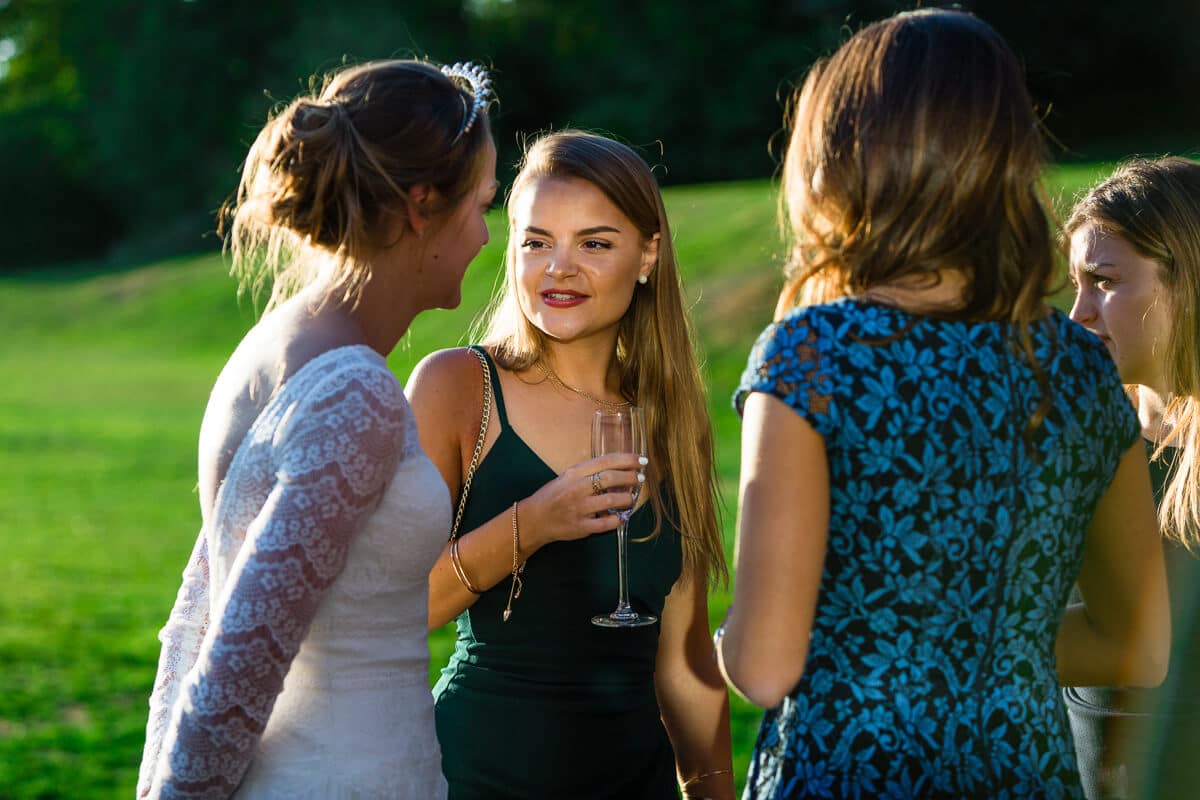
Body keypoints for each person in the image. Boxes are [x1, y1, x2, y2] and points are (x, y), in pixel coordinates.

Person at [714, 9, 1171, 799]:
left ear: (839, 159)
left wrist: (700, 639)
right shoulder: (1077, 370)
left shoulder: (813, 356)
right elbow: (1138, 645)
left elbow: (763, 666)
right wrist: (982, 649)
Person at [136, 59, 497, 798]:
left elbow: (196, 621)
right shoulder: (353, 391)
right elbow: (231, 678)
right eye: (481, 204)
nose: (486, 236)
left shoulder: (278, 345)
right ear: (423, 205)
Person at [406, 130, 735, 800]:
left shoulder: (674, 421)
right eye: (536, 241)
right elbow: (387, 612)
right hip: (474, 779)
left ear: (647, 255)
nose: (558, 267)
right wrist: (534, 522)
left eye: (594, 243)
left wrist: (712, 793)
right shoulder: (458, 388)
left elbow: (686, 660)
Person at [1063, 156, 1200, 799]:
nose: (1078, 315)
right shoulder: (1077, 439)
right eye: (1076, 285)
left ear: (1187, 281)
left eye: (1104, 282)